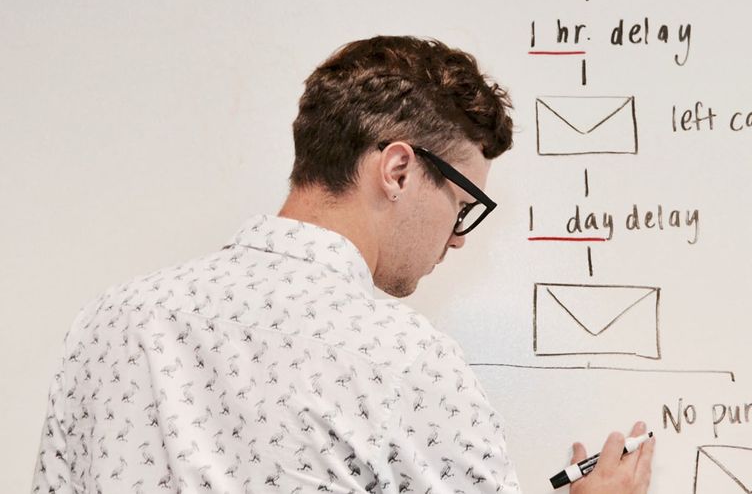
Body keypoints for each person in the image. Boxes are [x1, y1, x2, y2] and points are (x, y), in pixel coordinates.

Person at [31, 35, 655, 493]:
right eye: (462, 207)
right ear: (399, 170)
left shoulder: (110, 322)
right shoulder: (403, 357)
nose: (457, 239)